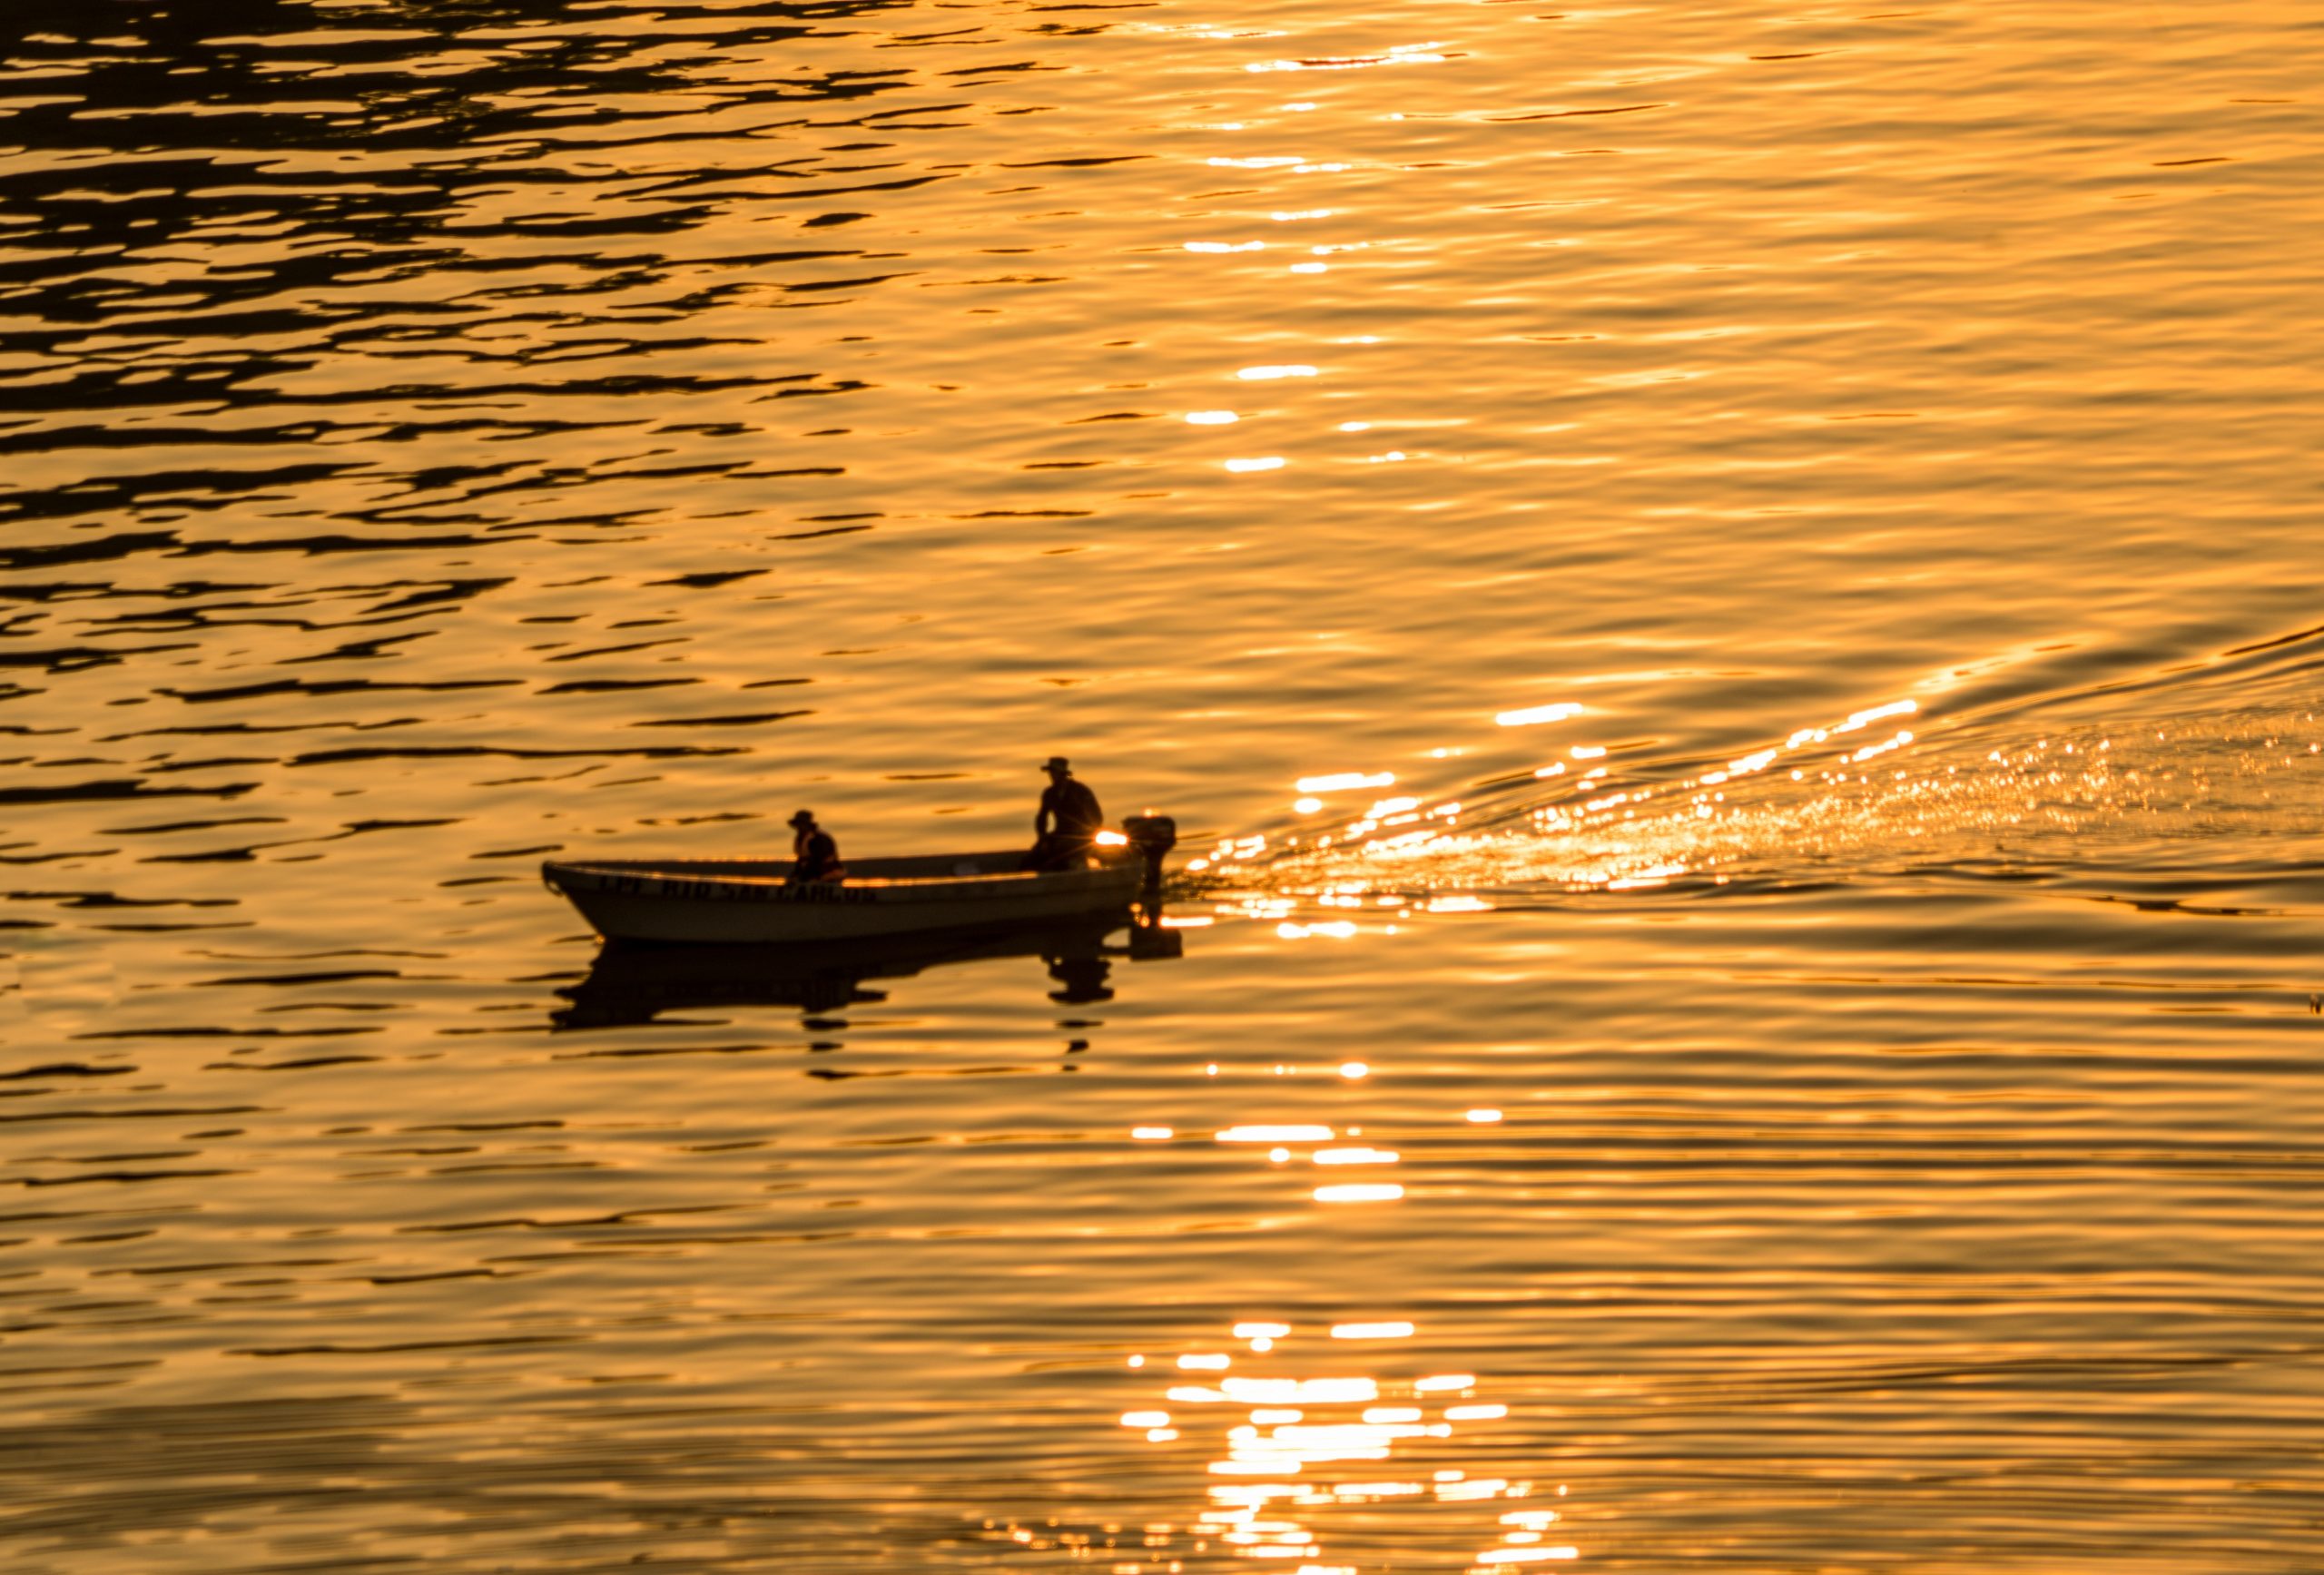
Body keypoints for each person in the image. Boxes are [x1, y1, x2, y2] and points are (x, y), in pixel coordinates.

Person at [1028, 756, 1103, 871]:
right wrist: (1042, 838)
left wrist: (1088, 836)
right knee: (1034, 856)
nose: (1051, 775)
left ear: (1062, 773)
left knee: (1060, 852)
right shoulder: (1049, 793)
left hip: (1081, 837)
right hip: (1060, 834)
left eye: (1054, 772)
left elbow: (1097, 817)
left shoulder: (1080, 791)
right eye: (1050, 772)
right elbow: (1042, 819)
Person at [785, 808, 844, 885]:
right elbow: (801, 860)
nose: (799, 827)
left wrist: (802, 878)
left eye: (801, 824)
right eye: (798, 824)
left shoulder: (818, 838)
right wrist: (793, 876)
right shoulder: (801, 838)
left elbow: (817, 861)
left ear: (808, 825)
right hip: (812, 875)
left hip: (829, 875)